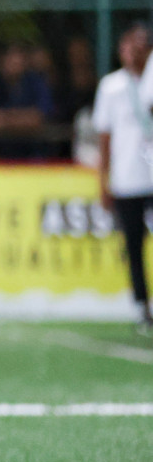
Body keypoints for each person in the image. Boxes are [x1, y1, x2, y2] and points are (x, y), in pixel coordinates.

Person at [99, 25, 153, 332]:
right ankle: (140, 306)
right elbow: (104, 138)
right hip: (128, 178)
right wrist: (103, 182)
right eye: (130, 44)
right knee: (133, 246)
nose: (135, 50)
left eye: (141, 45)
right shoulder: (111, 87)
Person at [0, 42, 54, 161]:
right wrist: (24, 118)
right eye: (10, 59)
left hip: (33, 154)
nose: (15, 63)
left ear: (25, 62)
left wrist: (5, 119)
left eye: (19, 60)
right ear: (2, 61)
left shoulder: (36, 82)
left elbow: (39, 117)